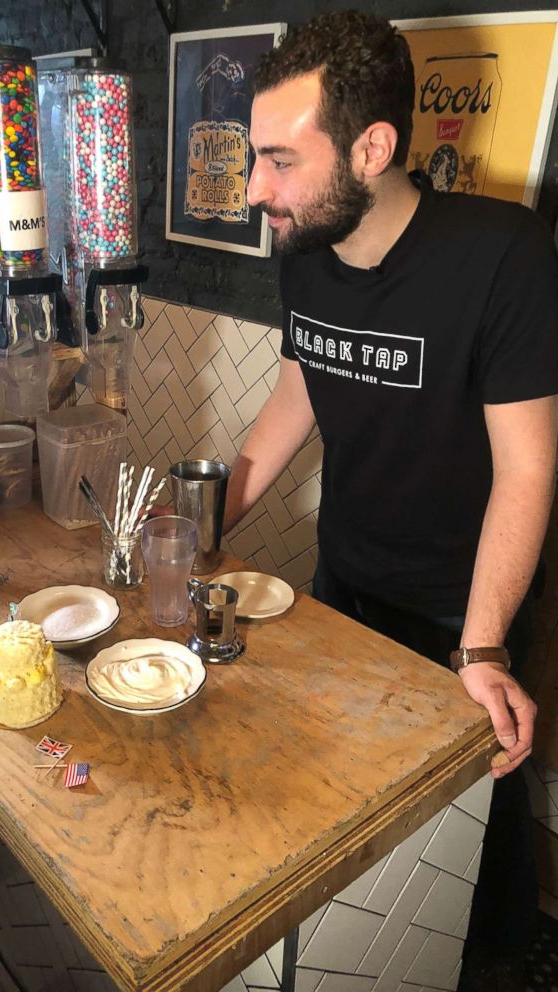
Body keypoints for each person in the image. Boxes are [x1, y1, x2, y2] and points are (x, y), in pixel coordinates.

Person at [223, 10, 558, 991]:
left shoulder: (503, 255)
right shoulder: (304, 247)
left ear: (371, 148)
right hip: (345, 581)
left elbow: (531, 467)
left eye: (280, 159)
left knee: (473, 823)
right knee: (354, 815)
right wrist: (190, 522)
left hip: (464, 607)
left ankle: (496, 962)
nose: (255, 189)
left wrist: (486, 643)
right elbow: (298, 390)